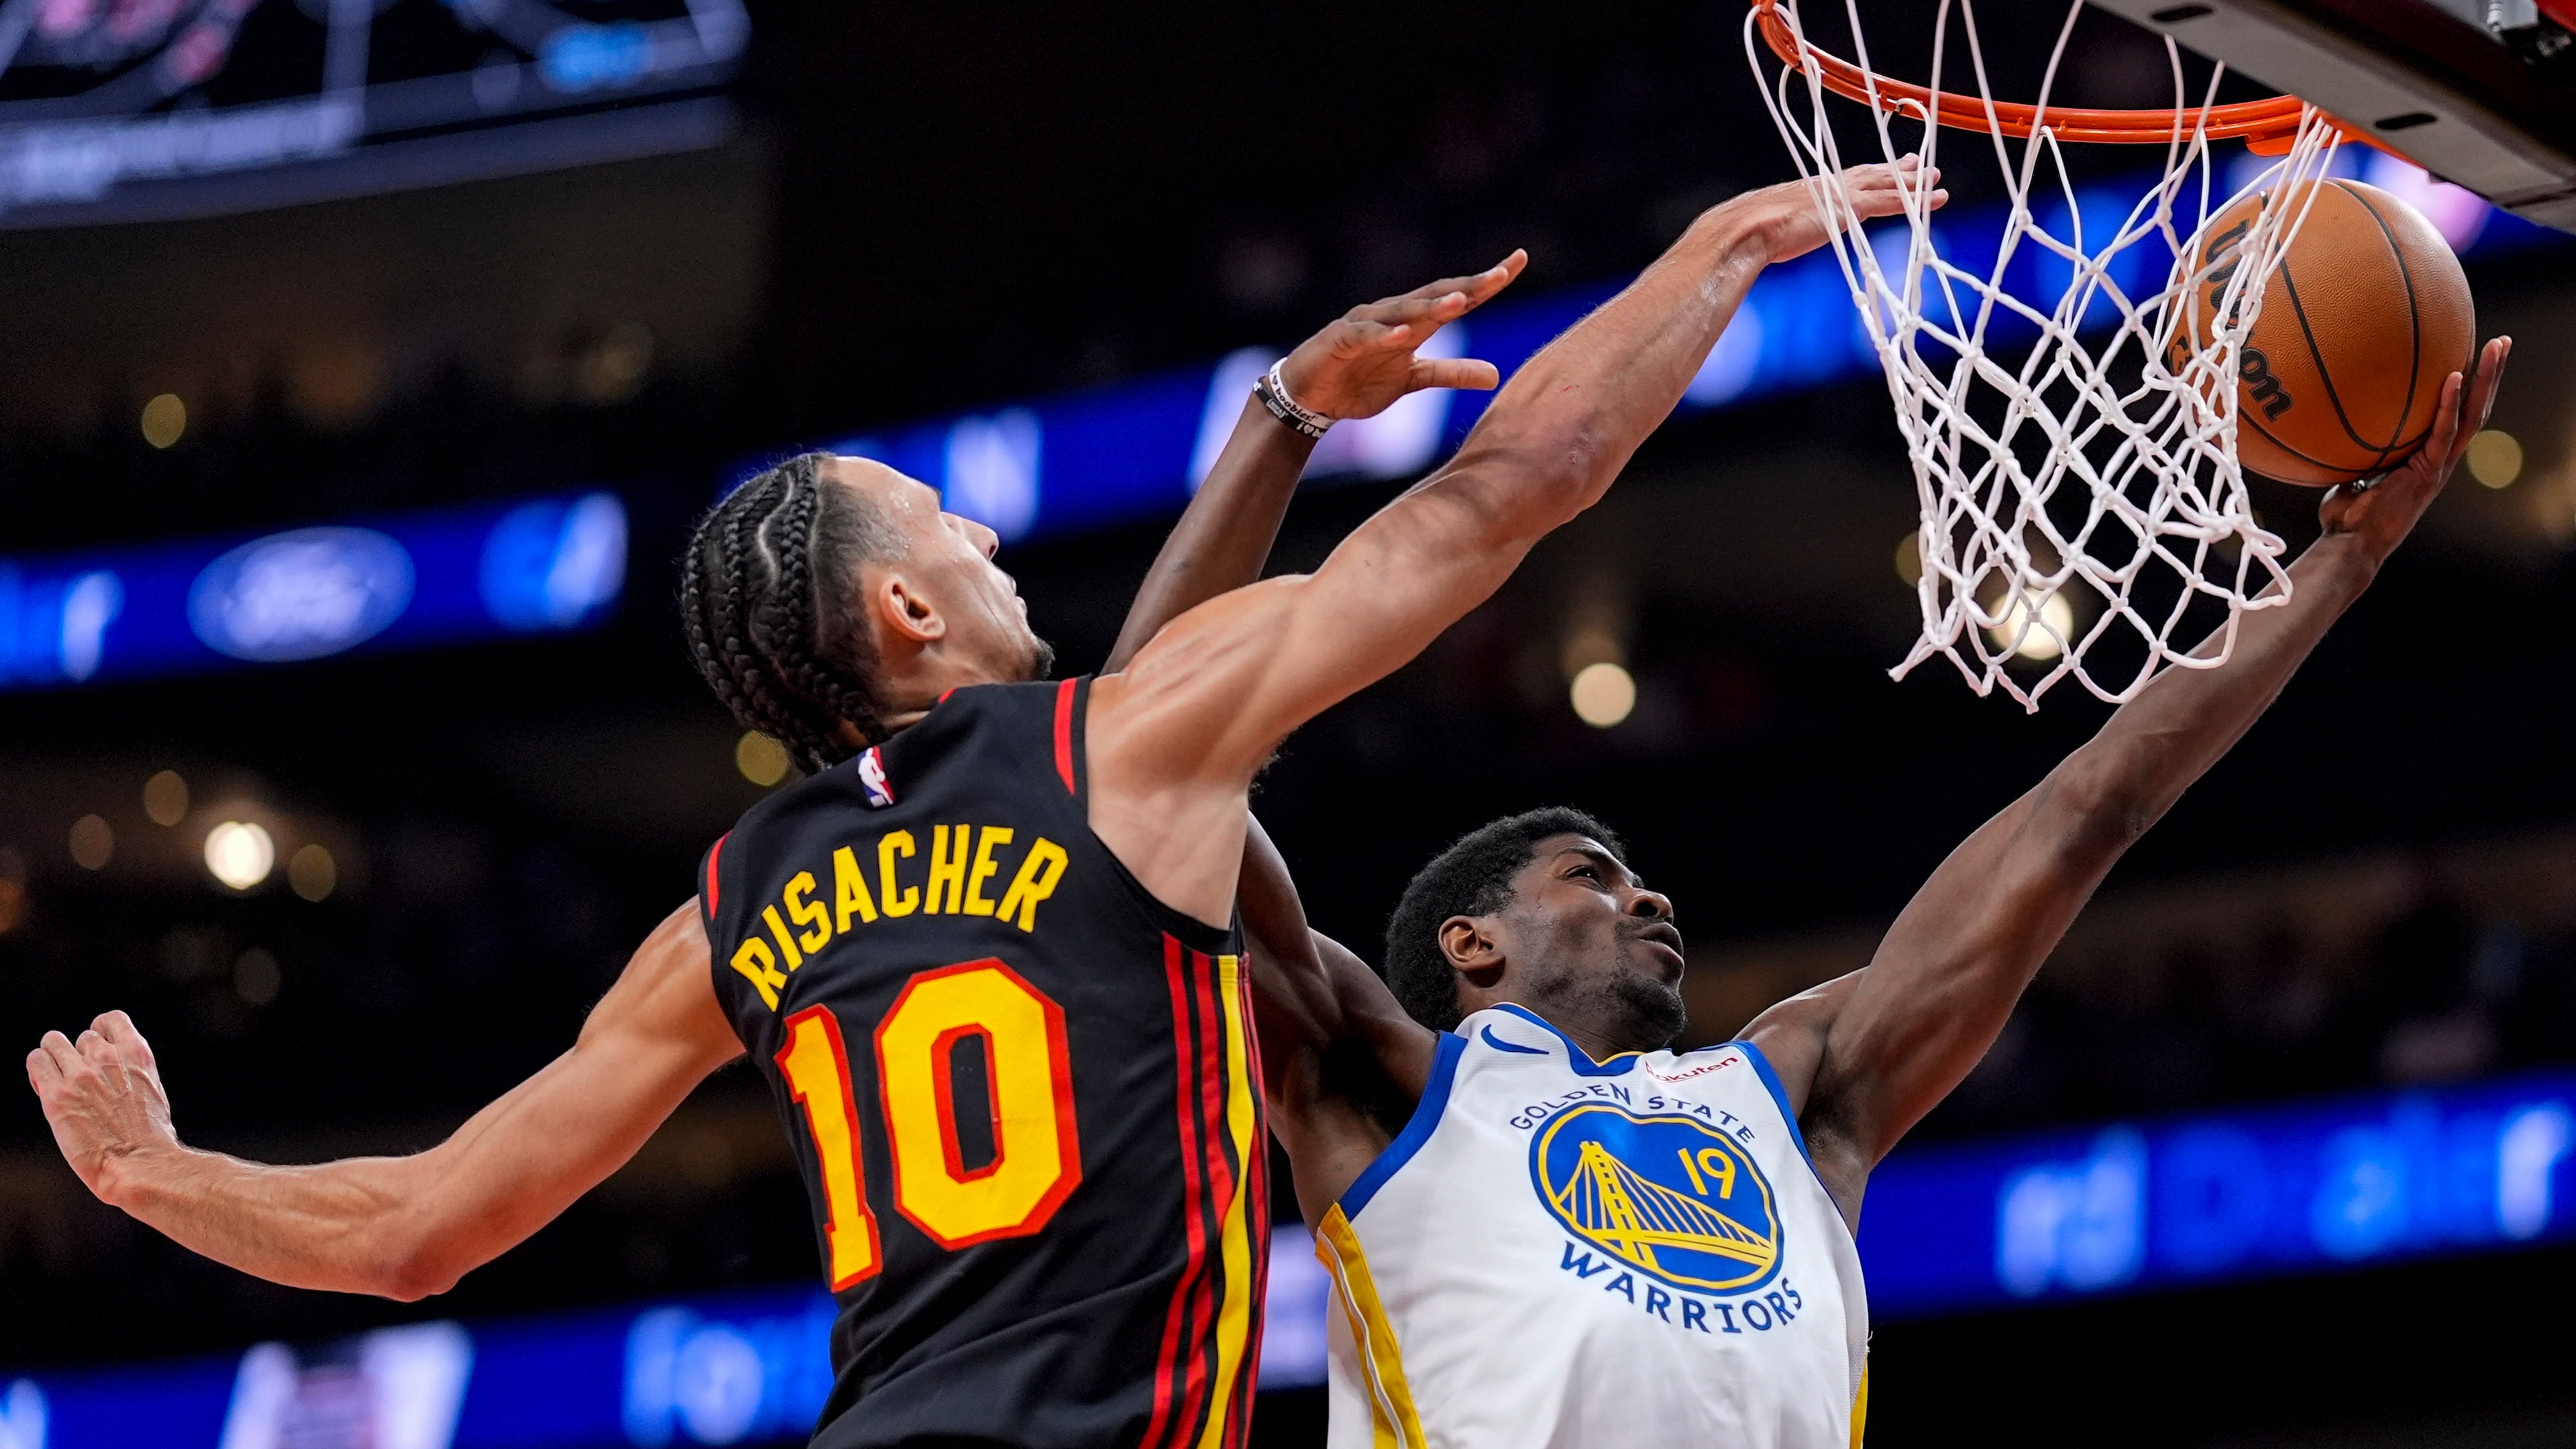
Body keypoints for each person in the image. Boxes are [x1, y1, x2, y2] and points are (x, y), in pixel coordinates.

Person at [21, 159, 1929, 1448]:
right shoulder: (1120, 752)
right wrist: (1721, 255)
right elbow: (1502, 492)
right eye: (951, 524)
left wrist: (154, 1176)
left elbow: (424, 1228)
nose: (996, 529)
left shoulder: (733, 903)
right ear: (909, 609)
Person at [1172, 333, 2513, 1448]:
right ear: (1471, 944)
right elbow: (1158, 746)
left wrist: (2340, 567)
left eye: (1645, 883)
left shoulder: (1791, 1086)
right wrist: (1282, 421)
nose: (1650, 902)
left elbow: (2089, 809)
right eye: (1594, 879)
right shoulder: (1384, 1085)